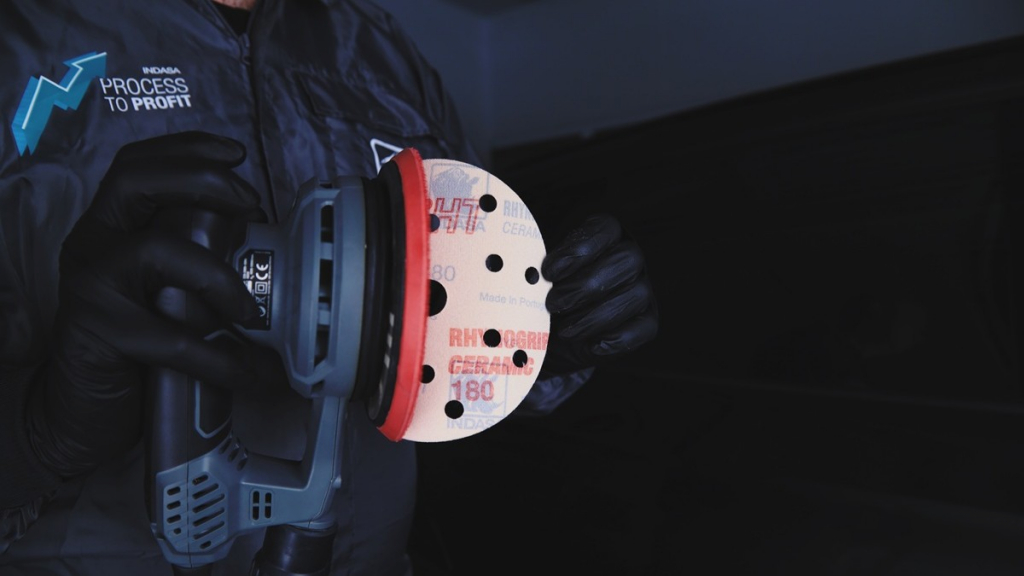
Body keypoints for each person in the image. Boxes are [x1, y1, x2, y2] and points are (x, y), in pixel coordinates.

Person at [0, 0, 659, 574]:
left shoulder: (381, 52)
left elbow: (459, 325)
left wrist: (540, 340)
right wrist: (38, 429)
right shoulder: (23, 39)